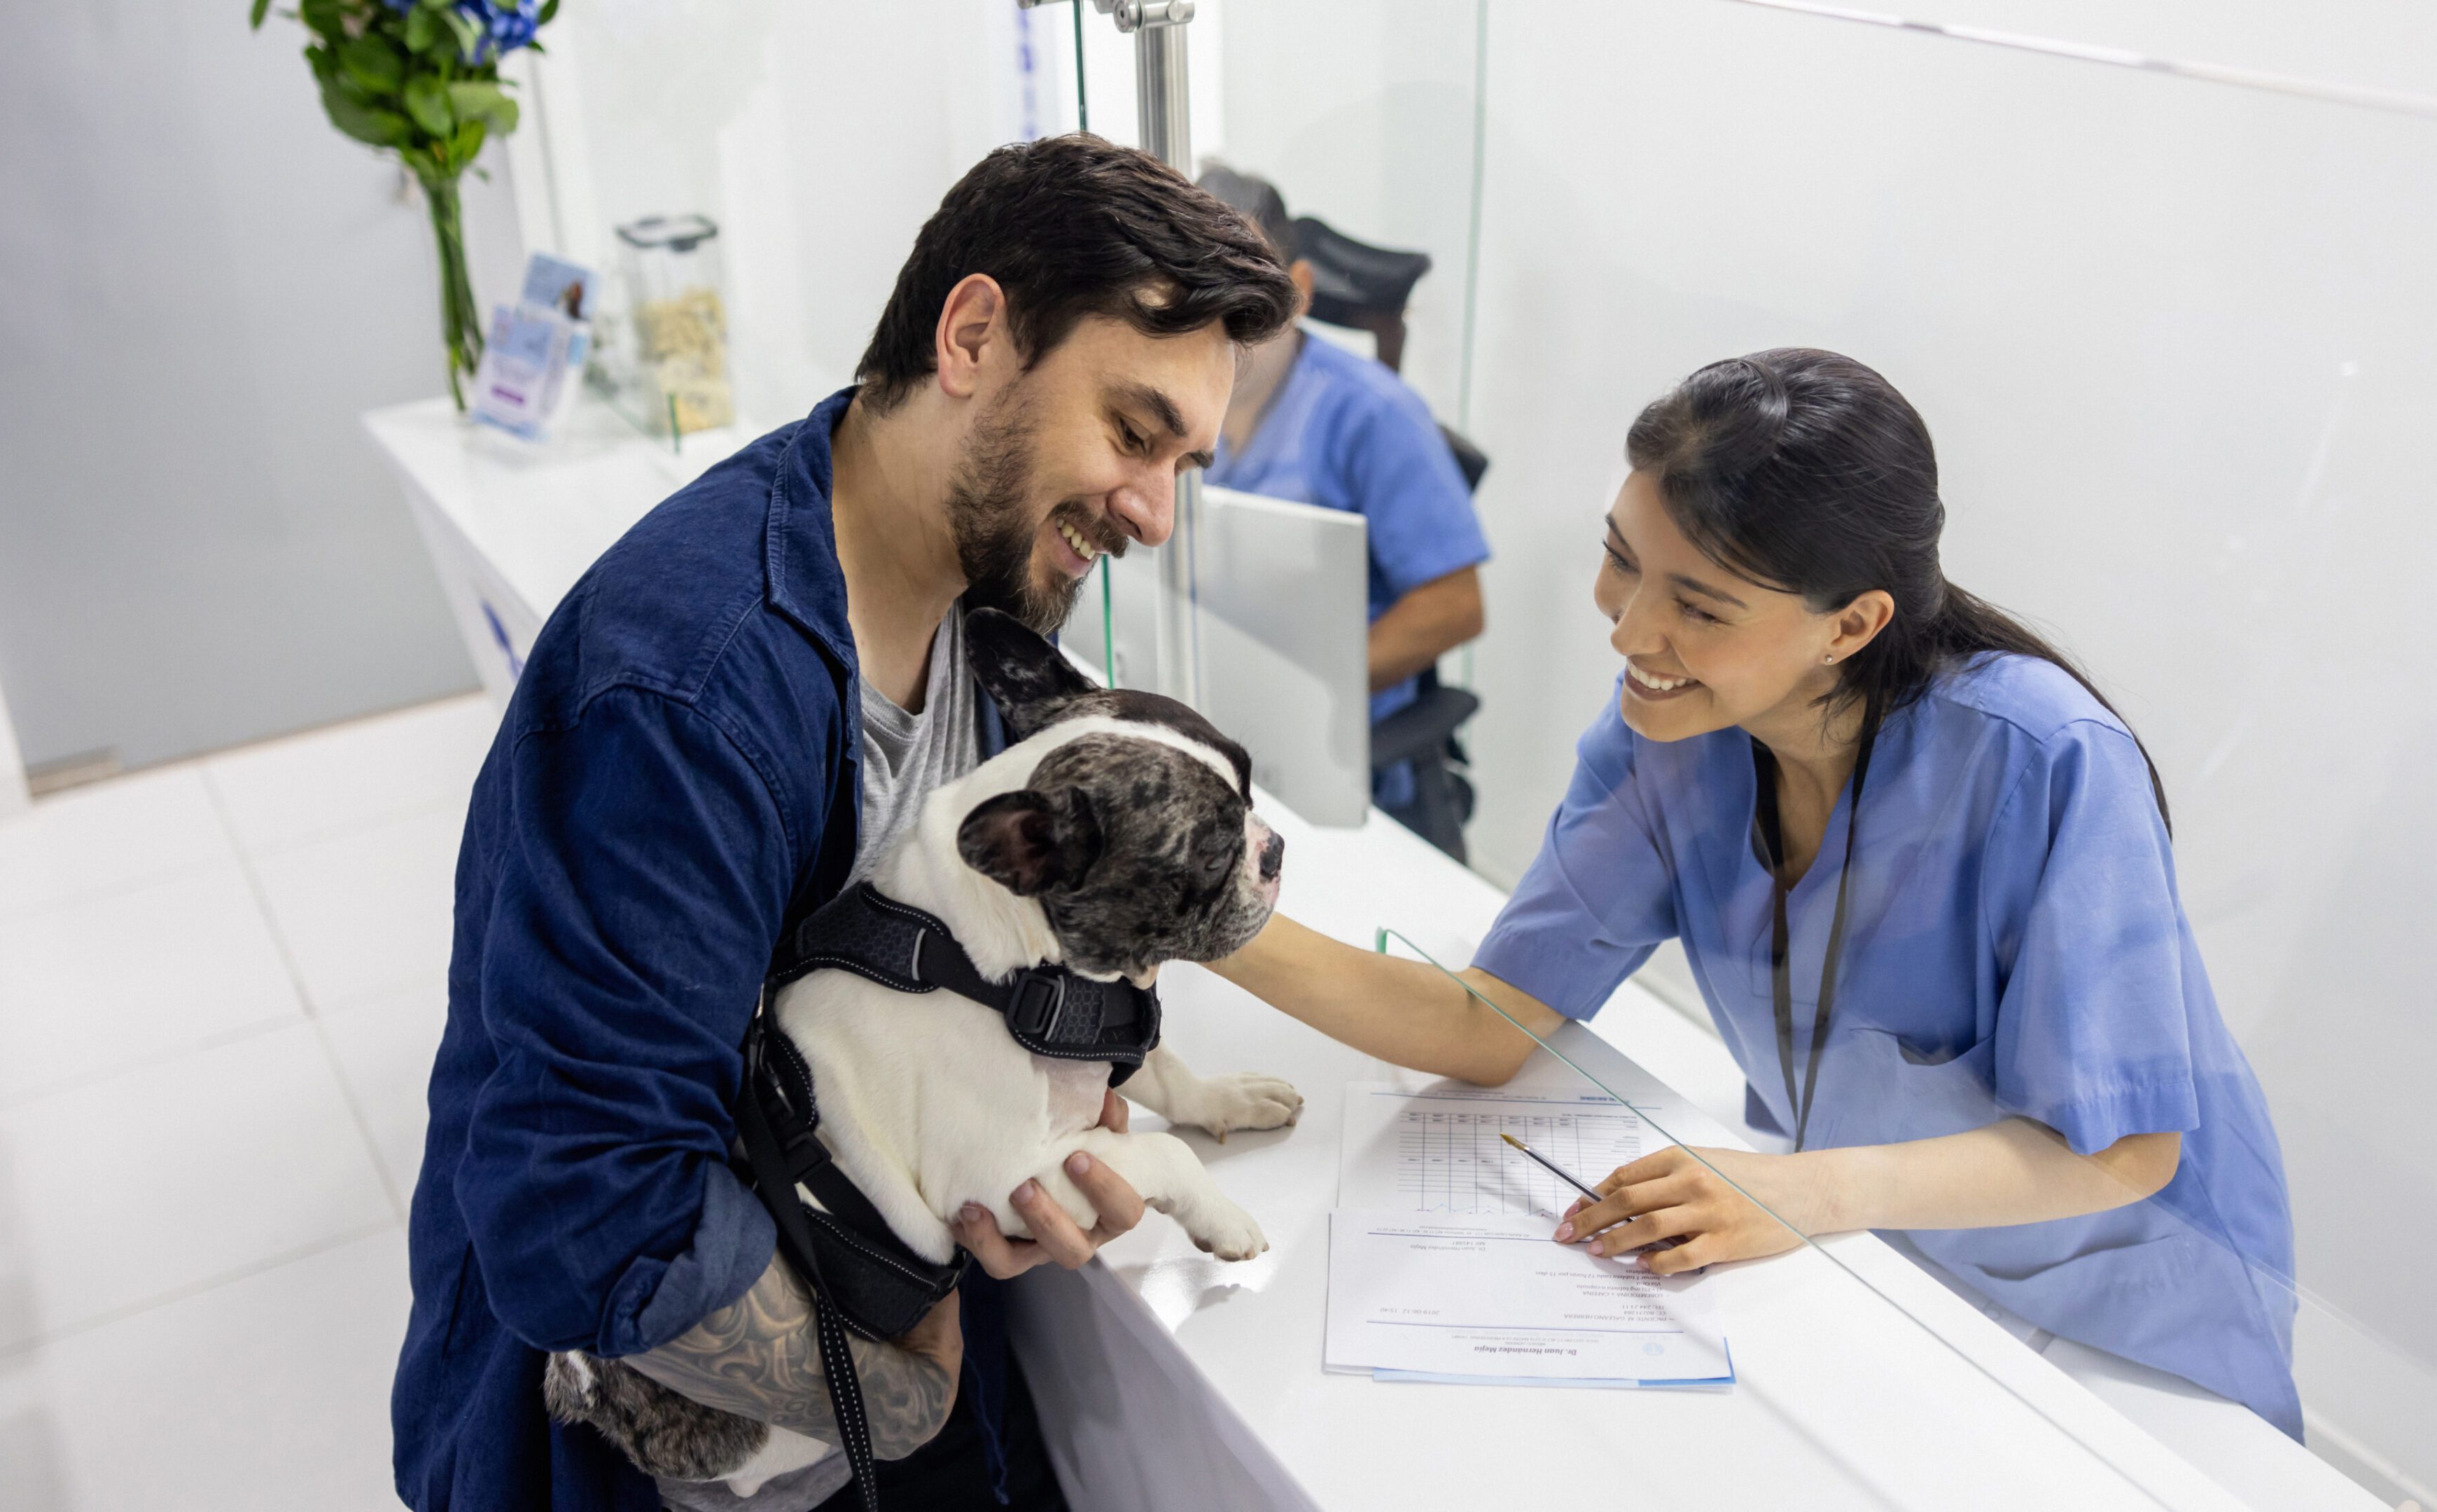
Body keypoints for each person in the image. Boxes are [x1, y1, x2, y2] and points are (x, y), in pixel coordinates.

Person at [391, 133, 1297, 1512]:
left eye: (1185, 462)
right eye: (1130, 432)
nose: (1155, 515)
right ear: (975, 335)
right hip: (668, 1440)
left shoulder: (985, 611)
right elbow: (580, 1219)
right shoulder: (680, 695)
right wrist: (906, 1391)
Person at [1211, 349, 2302, 1436]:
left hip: (2125, 1328)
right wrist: (1196, 913)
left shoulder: (2044, 761)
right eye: (1619, 559)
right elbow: (1487, 1021)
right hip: (1875, 1261)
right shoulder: (1671, 737)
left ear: (1853, 625)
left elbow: (2121, 1152)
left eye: (1701, 605)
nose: (1632, 632)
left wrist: (1810, 1191)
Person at [1196, 165, 1490, 855]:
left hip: (1331, 754)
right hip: (1213, 715)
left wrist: (1299, 695)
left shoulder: (1371, 415)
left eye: (1246, 295)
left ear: (1297, 291)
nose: (1221, 326)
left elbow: (1455, 606)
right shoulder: (1182, 405)